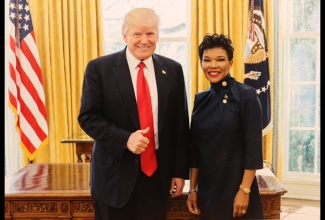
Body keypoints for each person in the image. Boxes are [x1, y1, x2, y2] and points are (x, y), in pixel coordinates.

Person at [78, 7, 190, 220]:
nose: (144, 40)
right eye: (137, 34)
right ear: (125, 35)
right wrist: (125, 138)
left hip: (158, 179)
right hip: (113, 179)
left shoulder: (173, 69)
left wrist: (179, 172)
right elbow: (88, 117)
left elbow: (180, 125)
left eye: (150, 33)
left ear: (158, 35)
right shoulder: (99, 69)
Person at [186, 33, 264, 219]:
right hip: (207, 192)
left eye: (220, 60)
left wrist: (244, 191)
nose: (213, 66)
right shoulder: (200, 99)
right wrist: (192, 190)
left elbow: (253, 149)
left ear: (230, 63)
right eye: (207, 60)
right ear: (201, 64)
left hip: (237, 189)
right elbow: (195, 150)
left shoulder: (247, 96)